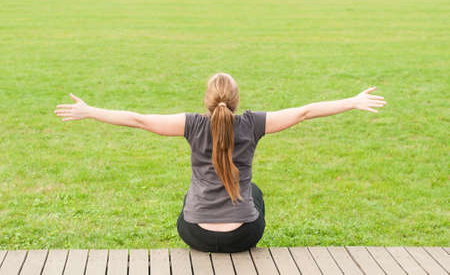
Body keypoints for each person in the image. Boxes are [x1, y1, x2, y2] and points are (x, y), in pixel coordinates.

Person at [54, 72, 387, 253]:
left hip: (194, 234)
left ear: (206, 101)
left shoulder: (191, 124)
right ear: (237, 100)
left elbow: (139, 120)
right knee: (252, 191)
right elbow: (304, 112)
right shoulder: (253, 123)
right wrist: (354, 102)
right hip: (244, 237)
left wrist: (89, 111)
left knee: (191, 195)